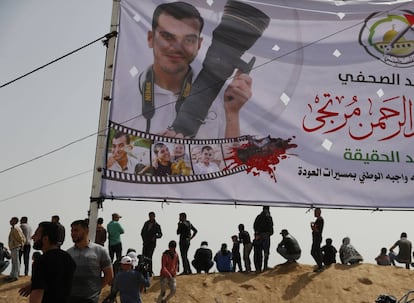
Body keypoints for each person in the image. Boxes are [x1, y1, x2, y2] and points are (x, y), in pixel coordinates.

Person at [122, 1, 252, 139]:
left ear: (199, 44)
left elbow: (232, 158)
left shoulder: (223, 99)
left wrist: (232, 113)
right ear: (150, 38)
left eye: (188, 40)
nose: (177, 47)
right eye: (167, 37)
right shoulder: (122, 101)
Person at [18, 221, 76, 303]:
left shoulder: (41, 262)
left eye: (36, 234)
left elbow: (38, 293)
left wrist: (36, 285)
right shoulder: (68, 258)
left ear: (45, 239)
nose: (32, 237)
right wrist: (34, 284)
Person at [67, 219, 113, 303]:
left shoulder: (100, 251)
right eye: (72, 231)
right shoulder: (68, 253)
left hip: (90, 299)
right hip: (71, 298)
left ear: (86, 231)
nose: (73, 233)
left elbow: (109, 275)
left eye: (76, 230)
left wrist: (95, 289)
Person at [253, 205, 274, 271]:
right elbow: (271, 225)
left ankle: (258, 268)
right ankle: (265, 267)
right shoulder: (269, 216)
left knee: (258, 252)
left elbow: (254, 226)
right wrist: (270, 233)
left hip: (258, 235)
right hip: (266, 235)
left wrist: (257, 234)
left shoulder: (258, 216)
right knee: (266, 252)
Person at [5, 216, 25, 282]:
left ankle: (15, 276)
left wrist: (21, 245)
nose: (10, 221)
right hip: (14, 247)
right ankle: (12, 275)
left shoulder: (16, 228)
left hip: (15, 246)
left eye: (11, 220)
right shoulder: (14, 228)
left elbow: (20, 237)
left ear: (15, 221)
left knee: (15, 262)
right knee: (14, 261)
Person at [310, 207, 324, 272]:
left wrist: (313, 227)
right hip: (316, 238)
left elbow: (317, 230)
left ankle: (320, 266)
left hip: (317, 238)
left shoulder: (320, 220)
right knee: (315, 252)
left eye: (316, 212)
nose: (314, 213)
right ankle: (320, 265)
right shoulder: (318, 220)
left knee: (315, 252)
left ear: (319, 213)